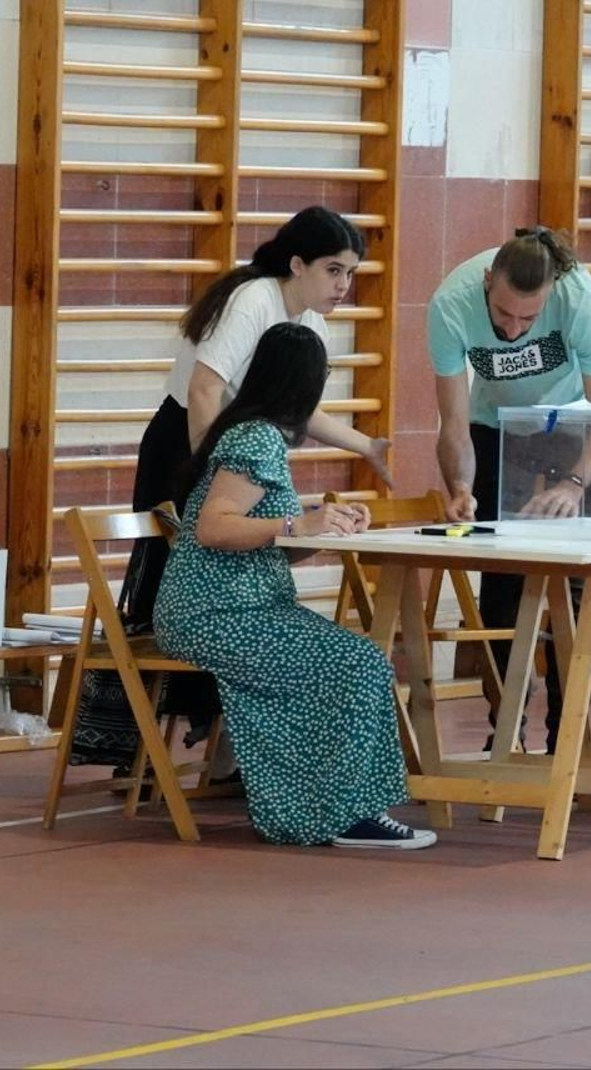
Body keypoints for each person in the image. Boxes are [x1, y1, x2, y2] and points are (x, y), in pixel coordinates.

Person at [68, 206, 388, 772]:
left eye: (350, 273)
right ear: (297, 264)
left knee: (241, 591)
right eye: (335, 270)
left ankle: (226, 746)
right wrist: (209, 473)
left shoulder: (308, 321)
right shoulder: (255, 299)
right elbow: (206, 387)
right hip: (186, 442)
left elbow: (297, 408)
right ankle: (139, 752)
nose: (344, 285)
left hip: (232, 448)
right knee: (176, 589)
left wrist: (365, 446)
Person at [152, 321, 434, 850]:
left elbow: (266, 539)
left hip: (246, 607)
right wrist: (295, 524)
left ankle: (335, 805)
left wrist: (323, 528)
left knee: (361, 660)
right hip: (215, 614)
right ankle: (340, 812)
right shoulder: (254, 437)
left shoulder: (254, 434)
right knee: (357, 664)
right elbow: (216, 526)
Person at [428, 226, 591, 751]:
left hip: (575, 423)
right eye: (503, 314)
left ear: (552, 295)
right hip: (497, 425)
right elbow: (453, 424)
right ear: (488, 281)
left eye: (528, 319)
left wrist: (577, 484)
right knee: (503, 584)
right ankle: (505, 729)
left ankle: (568, 732)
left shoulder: (580, 297)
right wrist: (461, 485)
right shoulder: (451, 304)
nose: (512, 331)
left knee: (573, 589)